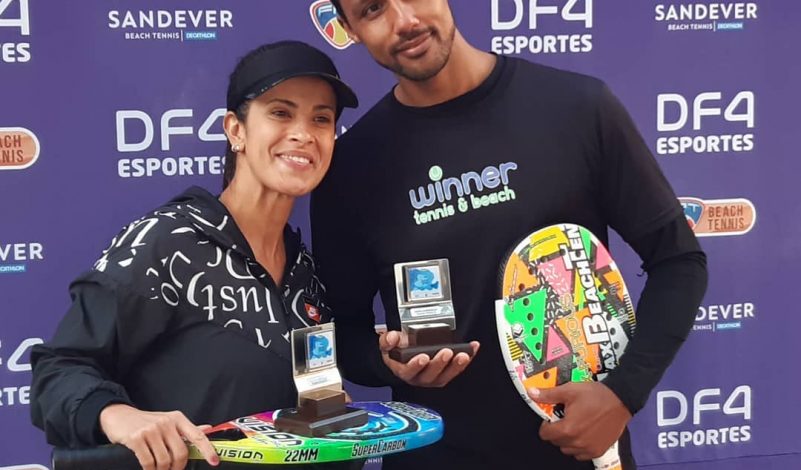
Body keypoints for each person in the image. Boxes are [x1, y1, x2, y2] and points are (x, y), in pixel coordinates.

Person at [310, 1, 708, 469]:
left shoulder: (577, 107)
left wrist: (623, 394)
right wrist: (387, 364)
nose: (405, 21)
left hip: (575, 453)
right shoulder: (349, 167)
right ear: (350, 28)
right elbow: (344, 334)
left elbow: (679, 261)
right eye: (372, 9)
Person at [30, 41, 360, 470]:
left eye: (321, 118)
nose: (303, 133)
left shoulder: (305, 272)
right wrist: (118, 415)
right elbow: (58, 370)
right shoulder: (169, 242)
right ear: (236, 130)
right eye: (281, 113)